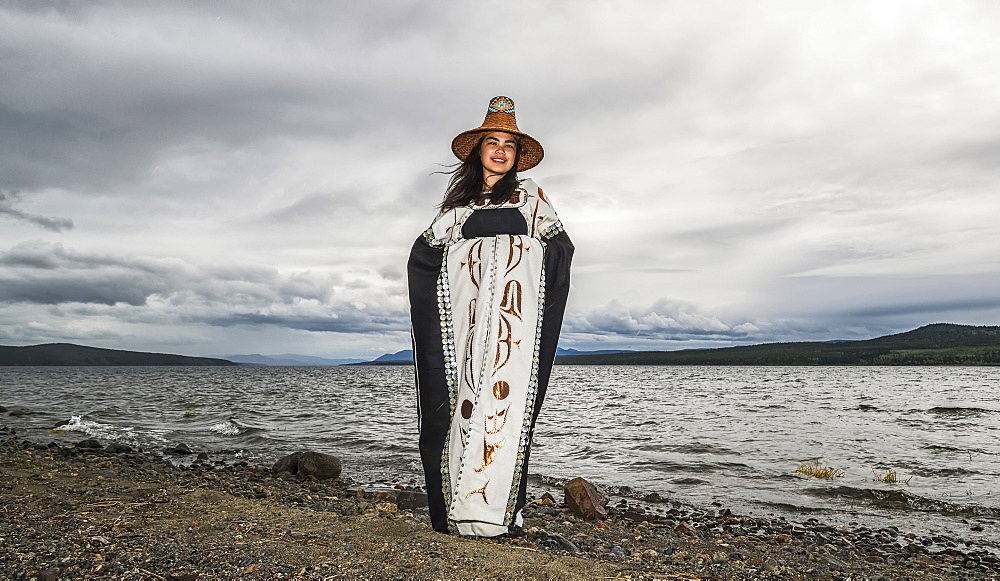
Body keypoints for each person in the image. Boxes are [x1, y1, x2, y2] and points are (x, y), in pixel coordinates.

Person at [407, 96, 574, 536]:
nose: (501, 151)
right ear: (478, 149)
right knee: (459, 410)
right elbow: (424, 256)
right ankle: (454, 511)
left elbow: (560, 249)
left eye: (509, 145)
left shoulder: (532, 199)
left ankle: (503, 512)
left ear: (519, 156)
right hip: (464, 330)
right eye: (492, 142)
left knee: (509, 409)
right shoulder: (457, 210)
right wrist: (477, 257)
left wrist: (515, 253)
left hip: (513, 332)